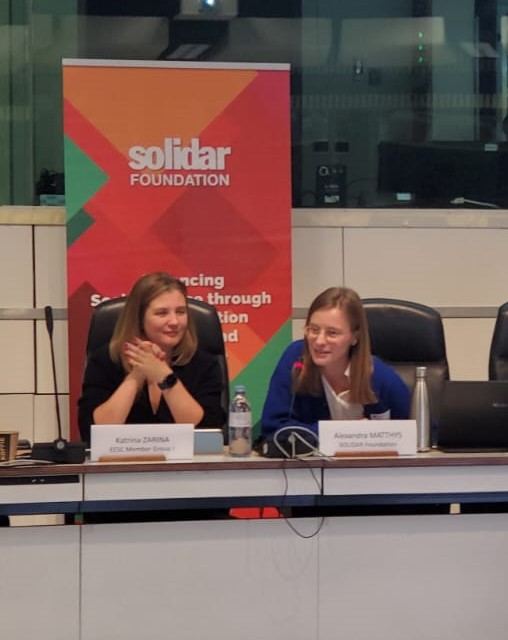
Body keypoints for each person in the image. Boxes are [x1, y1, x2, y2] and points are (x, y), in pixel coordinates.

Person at [78, 272, 226, 444]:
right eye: (162, 313)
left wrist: (164, 375)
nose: (174, 322)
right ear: (139, 318)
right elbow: (94, 432)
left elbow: (206, 431)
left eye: (181, 312)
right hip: (122, 458)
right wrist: (137, 373)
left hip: (188, 460)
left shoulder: (203, 363)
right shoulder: (106, 360)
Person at [261, 286, 410, 437]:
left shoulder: (381, 377)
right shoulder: (296, 357)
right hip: (309, 453)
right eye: (314, 329)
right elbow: (272, 427)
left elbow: (414, 432)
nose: (319, 341)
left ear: (355, 337)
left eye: (332, 333)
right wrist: (341, 432)